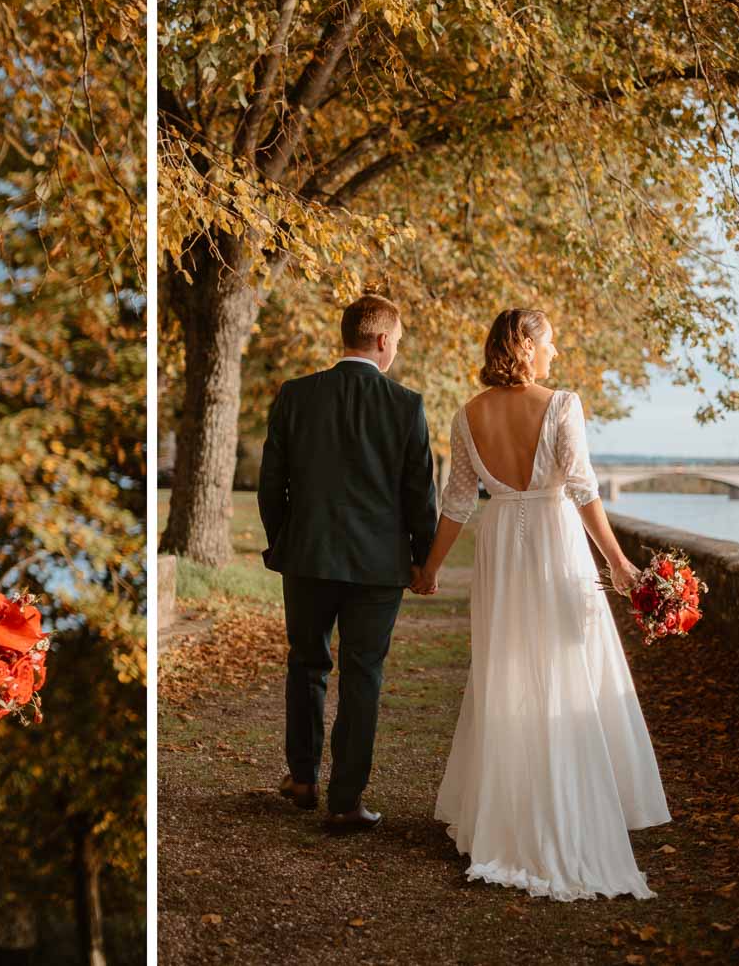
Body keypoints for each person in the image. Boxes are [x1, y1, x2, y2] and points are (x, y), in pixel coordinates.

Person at [415, 308, 670, 900]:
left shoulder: (467, 414)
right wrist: (617, 560)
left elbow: (457, 503)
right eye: (550, 341)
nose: (556, 351)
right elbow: (581, 489)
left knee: (505, 667)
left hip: (501, 547)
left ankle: (507, 811)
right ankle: (563, 806)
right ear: (526, 346)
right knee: (565, 665)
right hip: (556, 541)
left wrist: (430, 567)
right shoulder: (563, 405)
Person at [257, 293, 439, 829]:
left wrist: (283, 541)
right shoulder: (406, 405)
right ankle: (346, 800)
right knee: (363, 676)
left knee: (306, 664)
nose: (396, 352)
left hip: (307, 558)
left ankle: (303, 776)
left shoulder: (296, 395)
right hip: (378, 567)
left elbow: (273, 483)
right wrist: (421, 561)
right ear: (382, 340)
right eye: (397, 343)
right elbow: (418, 494)